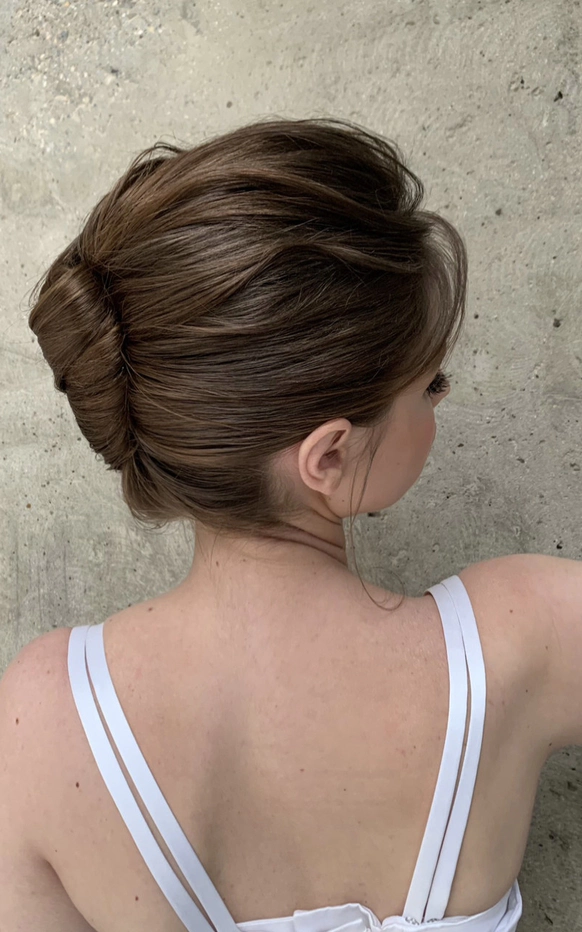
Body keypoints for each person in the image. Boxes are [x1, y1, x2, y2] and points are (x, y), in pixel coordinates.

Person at [1, 116, 580, 932]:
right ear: (328, 456)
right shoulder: (530, 639)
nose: (442, 401)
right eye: (429, 384)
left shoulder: (44, 722)